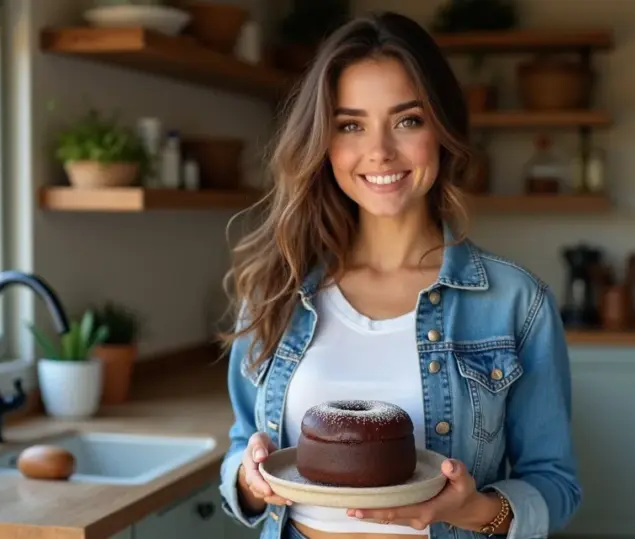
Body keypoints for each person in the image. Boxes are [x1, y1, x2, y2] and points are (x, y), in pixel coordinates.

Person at [217, 10, 580, 539]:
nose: (380, 151)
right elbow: (240, 449)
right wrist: (250, 480)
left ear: (442, 129)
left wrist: (470, 510)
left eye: (408, 120)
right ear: (323, 141)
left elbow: (555, 485)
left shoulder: (516, 303)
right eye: (351, 124)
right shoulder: (277, 290)